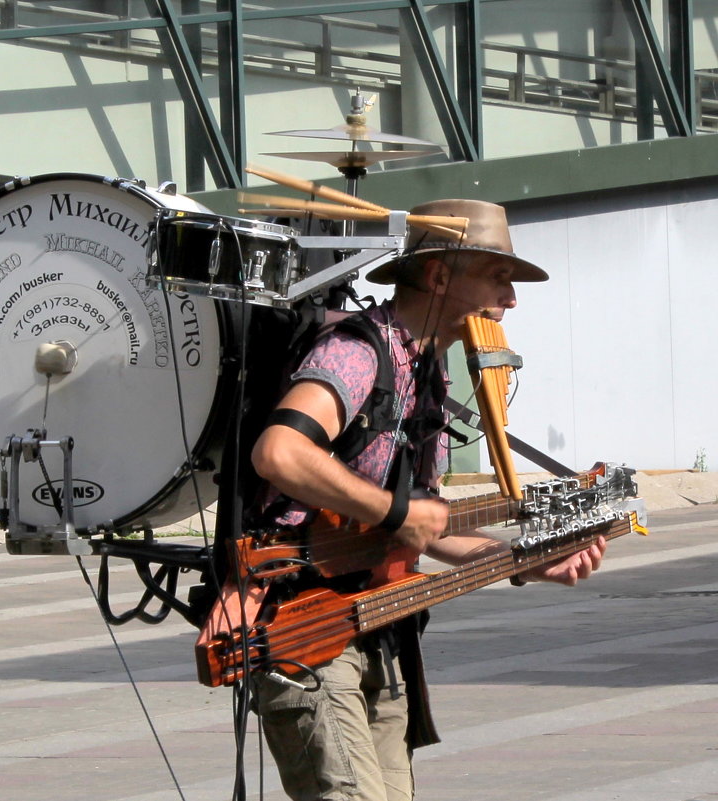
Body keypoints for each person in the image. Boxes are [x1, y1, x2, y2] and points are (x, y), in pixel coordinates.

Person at [249, 198, 607, 801]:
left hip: (382, 626)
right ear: (440, 275)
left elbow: (423, 526)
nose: (511, 301)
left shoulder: (431, 376)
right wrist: (394, 511)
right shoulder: (357, 353)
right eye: (498, 278)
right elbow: (279, 452)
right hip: (305, 627)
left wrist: (525, 561)